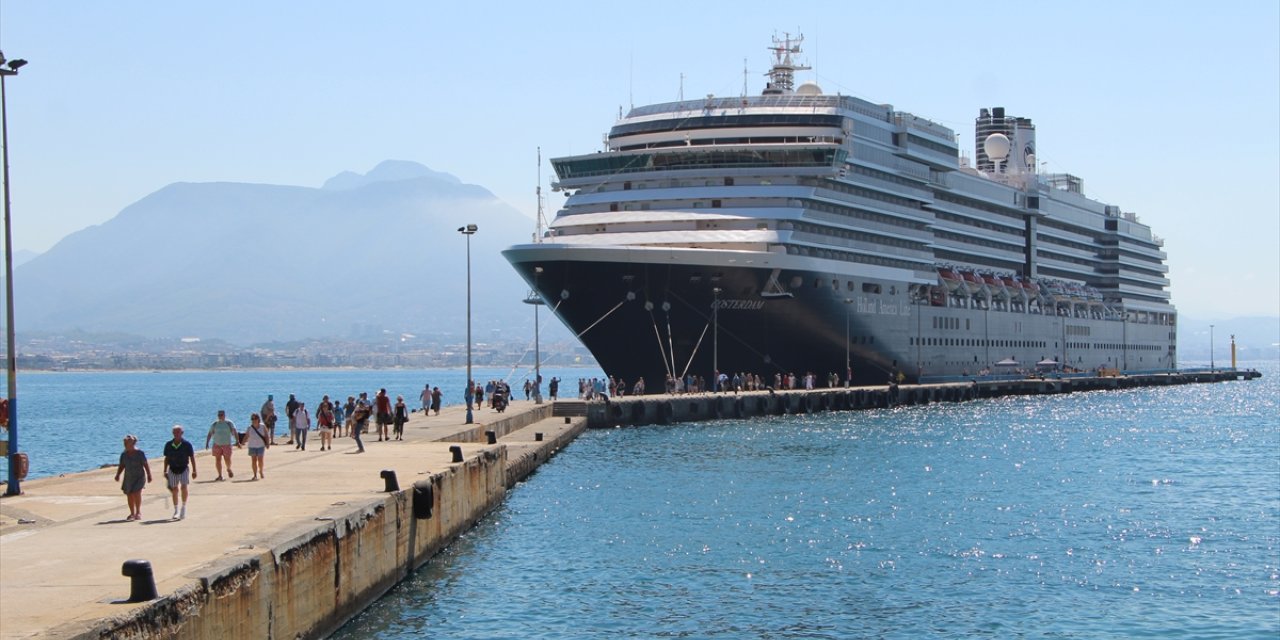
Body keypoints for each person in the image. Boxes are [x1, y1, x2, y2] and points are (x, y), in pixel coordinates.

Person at [113, 434, 152, 521]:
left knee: (137, 493)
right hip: (128, 477)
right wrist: (118, 474)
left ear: (133, 443)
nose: (126, 443)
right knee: (129, 494)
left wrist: (149, 475)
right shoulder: (124, 454)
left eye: (127, 442)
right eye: (125, 442)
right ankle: (132, 513)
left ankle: (138, 512)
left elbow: (145, 464)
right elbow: (122, 465)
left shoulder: (140, 453)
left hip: (139, 476)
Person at [163, 425, 197, 520]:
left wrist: (194, 470)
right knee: (174, 489)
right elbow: (166, 458)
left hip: (184, 468)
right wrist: (165, 470)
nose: (176, 434)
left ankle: (183, 507)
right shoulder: (169, 444)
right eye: (175, 432)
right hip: (172, 468)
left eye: (178, 432)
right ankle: (176, 510)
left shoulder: (186, 444)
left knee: (184, 487)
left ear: (182, 433)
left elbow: (192, 457)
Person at [205, 410, 240, 481]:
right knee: (218, 459)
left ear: (224, 415)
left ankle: (228, 468)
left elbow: (234, 432)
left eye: (221, 415)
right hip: (217, 444)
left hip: (226, 444)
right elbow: (210, 433)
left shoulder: (229, 423)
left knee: (227, 459)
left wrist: (237, 441)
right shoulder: (215, 424)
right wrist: (207, 443)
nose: (220, 416)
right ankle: (220, 475)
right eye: (219, 415)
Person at [244, 413, 269, 480]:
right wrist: (242, 442)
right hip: (252, 446)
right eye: (252, 419)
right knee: (253, 460)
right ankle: (255, 475)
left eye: (255, 419)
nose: (254, 420)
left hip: (261, 445)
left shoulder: (262, 426)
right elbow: (246, 436)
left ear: (258, 419)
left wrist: (267, 443)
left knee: (260, 460)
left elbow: (266, 435)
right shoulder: (249, 428)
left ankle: (261, 471)